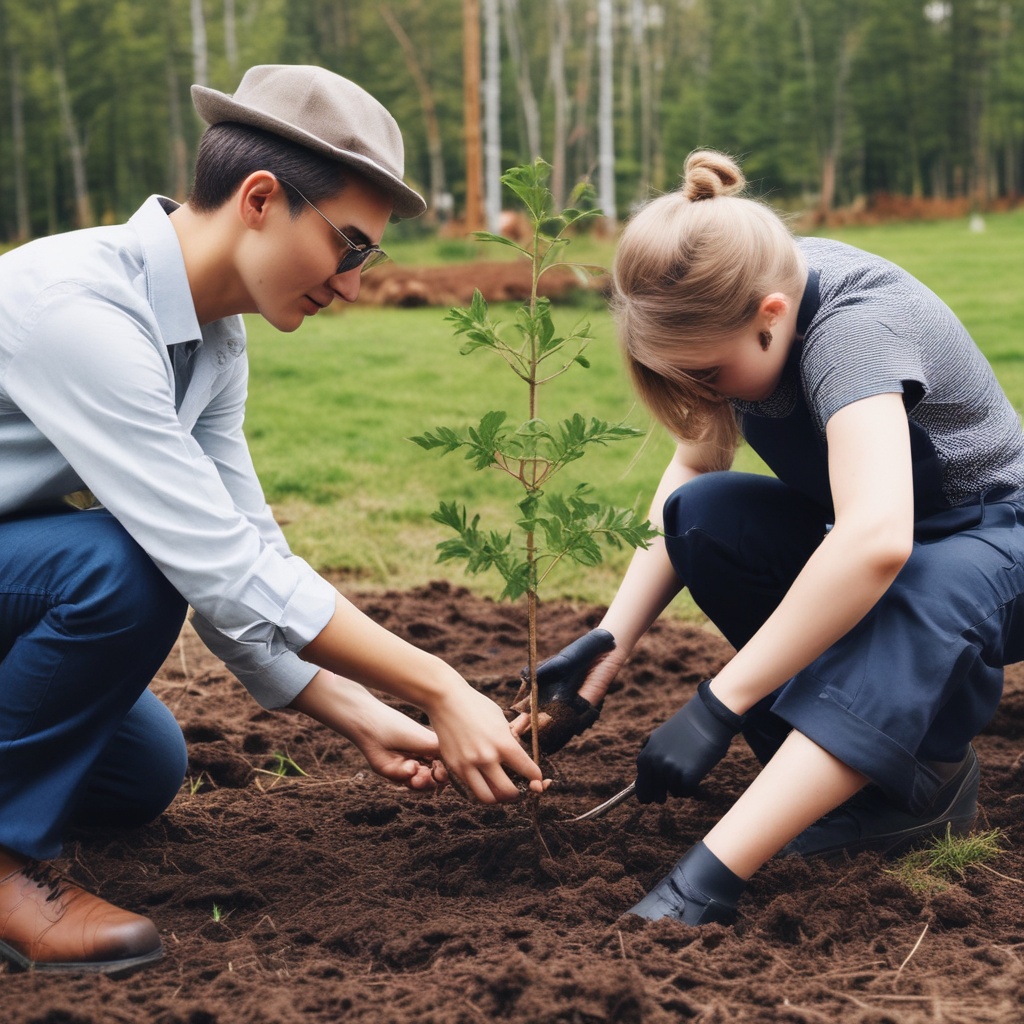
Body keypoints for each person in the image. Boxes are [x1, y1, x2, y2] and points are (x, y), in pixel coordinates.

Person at [0, 64, 546, 974]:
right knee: (123, 569)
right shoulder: (78, 306)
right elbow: (211, 563)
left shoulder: (214, 339)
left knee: (141, 770)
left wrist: (362, 714)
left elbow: (247, 546)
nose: (355, 284)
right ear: (260, 199)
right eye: (351, 247)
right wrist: (440, 686)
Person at [519, 149, 1024, 925]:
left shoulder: (854, 330)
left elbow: (878, 543)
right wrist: (607, 644)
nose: (699, 395)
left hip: (998, 539)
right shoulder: (748, 295)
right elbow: (695, 467)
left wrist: (720, 705)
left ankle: (714, 877)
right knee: (707, 519)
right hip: (905, 541)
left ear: (773, 317)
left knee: (910, 582)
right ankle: (886, 781)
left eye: (708, 376)